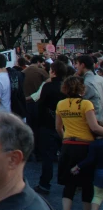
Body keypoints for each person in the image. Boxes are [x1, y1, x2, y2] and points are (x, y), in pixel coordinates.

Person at [55, 75, 103, 210]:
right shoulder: (86, 104)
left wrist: (65, 139)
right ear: (81, 88)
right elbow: (94, 127)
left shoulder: (60, 104)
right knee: (87, 181)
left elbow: (58, 127)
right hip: (85, 145)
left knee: (69, 181)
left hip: (68, 145)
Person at [33, 61, 67, 195]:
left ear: (53, 71)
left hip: (48, 123)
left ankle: (45, 184)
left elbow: (40, 105)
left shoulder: (48, 87)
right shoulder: (65, 87)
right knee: (65, 155)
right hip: (64, 124)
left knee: (47, 156)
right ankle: (69, 183)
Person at [74, 54, 103, 122]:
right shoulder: (100, 79)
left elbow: (81, 105)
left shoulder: (86, 83)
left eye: (77, 64)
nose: (75, 66)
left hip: (94, 121)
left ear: (82, 65)